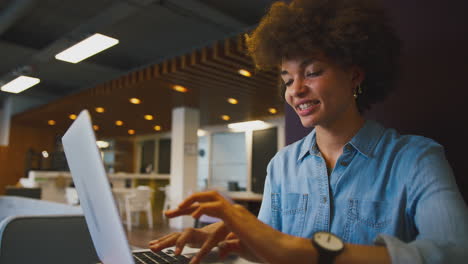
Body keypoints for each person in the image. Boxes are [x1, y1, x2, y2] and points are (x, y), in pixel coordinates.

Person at [150, 0, 468, 263]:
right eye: (288, 80)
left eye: (312, 72)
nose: (296, 90)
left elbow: (456, 252)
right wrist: (224, 234)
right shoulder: (282, 165)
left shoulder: (415, 159)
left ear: (354, 75)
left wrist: (306, 251)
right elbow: (268, 241)